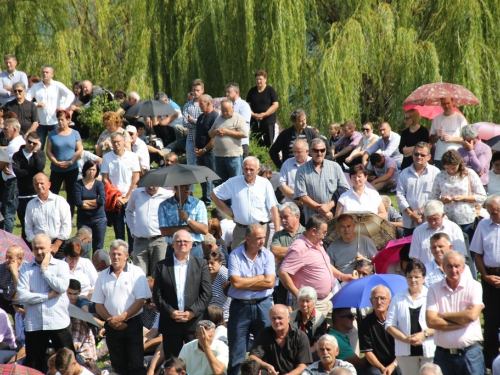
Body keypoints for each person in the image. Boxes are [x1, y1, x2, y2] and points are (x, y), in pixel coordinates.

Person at [92, 239, 151, 375]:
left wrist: (122, 317)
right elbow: (98, 304)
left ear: (126, 256)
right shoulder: (103, 276)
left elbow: (141, 300)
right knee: (118, 364)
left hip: (132, 324)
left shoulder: (136, 272)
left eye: (119, 254)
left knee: (136, 363)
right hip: (111, 326)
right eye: (113, 254)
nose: (115, 257)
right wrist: (111, 320)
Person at [17, 233, 73, 371]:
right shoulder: (25, 269)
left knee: (67, 364)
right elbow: (22, 296)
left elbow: (61, 287)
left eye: (42, 248)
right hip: (35, 324)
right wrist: (47, 296)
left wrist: (45, 270)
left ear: (51, 247)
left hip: (58, 322)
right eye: (36, 248)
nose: (39, 252)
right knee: (34, 366)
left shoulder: (61, 266)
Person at [153, 229, 212, 358]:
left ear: (191, 244)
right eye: (178, 241)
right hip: (170, 323)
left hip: (195, 323)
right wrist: (171, 312)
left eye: (186, 241)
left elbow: (206, 293)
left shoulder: (201, 264)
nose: (182, 244)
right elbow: (157, 295)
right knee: (173, 362)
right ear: (172, 244)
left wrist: (192, 312)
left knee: (197, 360)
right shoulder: (161, 266)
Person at [226, 224, 276, 375]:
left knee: (267, 349)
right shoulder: (235, 255)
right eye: (259, 238)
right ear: (248, 239)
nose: (262, 241)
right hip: (240, 308)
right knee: (236, 353)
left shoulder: (268, 255)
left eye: (263, 237)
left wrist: (244, 282)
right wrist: (260, 279)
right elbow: (235, 283)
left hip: (263, 305)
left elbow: (269, 283)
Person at [426, 251, 485, 375]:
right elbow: (431, 321)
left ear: (463, 267)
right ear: (443, 267)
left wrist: (443, 315)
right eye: (449, 266)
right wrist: (460, 323)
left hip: (470, 354)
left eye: (457, 266)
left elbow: (471, 315)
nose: (453, 270)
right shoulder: (434, 289)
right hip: (443, 355)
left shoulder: (474, 286)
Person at [278, 215, 344, 317]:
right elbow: (283, 273)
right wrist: (299, 296)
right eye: (324, 232)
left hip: (327, 299)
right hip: (312, 304)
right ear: (314, 231)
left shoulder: (317, 243)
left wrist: (342, 276)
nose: (325, 235)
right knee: (313, 332)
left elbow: (324, 265)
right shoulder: (299, 248)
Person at [211, 156, 280, 249]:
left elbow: (273, 207)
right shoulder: (233, 182)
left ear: (258, 170)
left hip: (260, 229)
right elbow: (213, 194)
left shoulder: (265, 183)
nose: (248, 172)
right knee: (237, 258)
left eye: (251, 169)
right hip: (241, 230)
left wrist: (277, 230)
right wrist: (229, 212)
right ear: (242, 168)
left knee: (261, 259)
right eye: (246, 169)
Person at [385, 261, 435, 375]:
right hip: (404, 352)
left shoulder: (432, 295)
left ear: (424, 278)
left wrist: (424, 334)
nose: (413, 280)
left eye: (417, 277)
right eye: (409, 277)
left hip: (430, 350)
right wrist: (406, 339)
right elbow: (389, 324)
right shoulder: (398, 298)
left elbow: (440, 323)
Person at [470, 194, 500, 369]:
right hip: (489, 277)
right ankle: (489, 363)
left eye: (496, 212)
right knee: (490, 322)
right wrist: (485, 276)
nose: (493, 216)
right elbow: (477, 253)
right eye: (490, 213)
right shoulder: (483, 225)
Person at [429, 149, 486, 239]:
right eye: (447, 168)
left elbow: (482, 196)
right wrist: (441, 200)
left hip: (466, 219)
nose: (450, 171)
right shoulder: (440, 175)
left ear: (459, 164)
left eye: (453, 168)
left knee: (466, 246)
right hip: (446, 218)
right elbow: (431, 198)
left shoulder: (469, 173)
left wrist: (463, 198)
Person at [101, 132, 141, 250]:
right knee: (119, 231)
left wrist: (127, 197)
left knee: (132, 230)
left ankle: (133, 255)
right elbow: (105, 179)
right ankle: (121, 254)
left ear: (124, 142)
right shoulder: (107, 158)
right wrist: (116, 196)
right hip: (116, 198)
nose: (117, 144)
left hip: (131, 197)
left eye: (119, 141)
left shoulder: (132, 156)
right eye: (114, 142)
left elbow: (136, 178)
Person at [295, 138, 349, 222]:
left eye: (322, 150)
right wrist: (322, 210)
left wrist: (329, 206)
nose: (319, 153)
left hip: (333, 217)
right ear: (310, 151)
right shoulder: (302, 170)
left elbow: (345, 189)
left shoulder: (335, 167)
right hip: (312, 220)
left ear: (326, 151)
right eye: (316, 151)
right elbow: (302, 196)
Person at [249, 304, 312, 374]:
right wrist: (266, 366)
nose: (276, 321)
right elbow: (253, 357)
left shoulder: (300, 336)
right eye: (273, 318)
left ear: (288, 318)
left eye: (280, 318)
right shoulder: (264, 334)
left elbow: (302, 366)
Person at [25, 65, 75, 150]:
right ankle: (38, 162)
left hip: (55, 121)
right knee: (38, 146)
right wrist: (36, 104)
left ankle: (58, 162)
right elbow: (26, 98)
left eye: (47, 72)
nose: (45, 74)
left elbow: (70, 95)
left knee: (58, 146)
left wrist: (62, 107)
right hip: (41, 122)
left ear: (52, 74)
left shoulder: (57, 85)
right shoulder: (36, 87)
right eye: (43, 72)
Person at [126, 185, 171, 277]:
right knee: (138, 275)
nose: (151, 187)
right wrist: (133, 229)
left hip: (159, 240)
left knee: (159, 274)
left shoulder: (167, 195)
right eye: (148, 184)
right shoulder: (136, 193)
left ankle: (156, 292)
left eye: (154, 185)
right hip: (140, 241)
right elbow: (129, 211)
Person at [396, 142, 440, 236]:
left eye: (422, 155)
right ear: (412, 155)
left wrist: (420, 212)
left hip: (429, 221)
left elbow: (437, 196)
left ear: (428, 157)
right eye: (416, 154)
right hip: (409, 221)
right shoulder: (404, 173)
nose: (419, 157)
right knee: (409, 249)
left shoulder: (436, 173)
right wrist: (411, 214)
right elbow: (400, 195)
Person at [25, 173, 72, 259]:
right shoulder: (30, 204)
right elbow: (28, 228)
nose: (39, 186)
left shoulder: (59, 201)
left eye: (42, 183)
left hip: (59, 246)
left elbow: (66, 225)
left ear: (49, 184)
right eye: (36, 184)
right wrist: (37, 244)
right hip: (39, 247)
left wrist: (56, 245)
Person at [47, 109, 83, 217]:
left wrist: (71, 162)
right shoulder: (52, 134)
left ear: (68, 120)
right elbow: (48, 151)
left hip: (72, 168)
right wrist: (56, 162)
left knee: (71, 193)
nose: (60, 122)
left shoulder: (75, 133)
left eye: (62, 120)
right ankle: (51, 215)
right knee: (53, 192)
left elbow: (79, 150)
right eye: (58, 120)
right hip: (56, 169)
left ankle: (69, 216)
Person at [359, 285, 402, 375]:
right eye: (375, 298)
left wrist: (393, 365)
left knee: (400, 371)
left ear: (390, 301)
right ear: (371, 301)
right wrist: (382, 368)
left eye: (383, 298)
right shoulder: (365, 323)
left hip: (396, 362)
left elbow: (403, 347)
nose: (379, 302)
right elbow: (367, 352)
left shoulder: (398, 320)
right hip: (375, 365)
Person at [409, 200, 467, 264]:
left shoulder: (454, 228)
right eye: (429, 219)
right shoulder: (418, 231)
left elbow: (461, 255)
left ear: (443, 215)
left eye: (435, 219)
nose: (432, 222)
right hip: (426, 272)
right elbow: (415, 258)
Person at [158, 184, 208, 259]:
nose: (188, 188)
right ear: (175, 187)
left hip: (194, 248)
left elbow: (204, 229)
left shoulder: (198, 204)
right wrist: (190, 228)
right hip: (173, 248)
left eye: (189, 185)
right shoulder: (164, 205)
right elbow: (164, 231)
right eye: (184, 186)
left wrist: (187, 219)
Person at [12, 131, 45, 242]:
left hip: (37, 195)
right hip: (22, 196)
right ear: (25, 139)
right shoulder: (17, 155)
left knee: (38, 225)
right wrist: (32, 170)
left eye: (34, 144)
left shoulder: (40, 154)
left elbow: (40, 168)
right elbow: (19, 173)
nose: (31, 145)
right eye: (29, 142)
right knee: (26, 226)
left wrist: (35, 153)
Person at [271, 202, 305, 304]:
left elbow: (309, 255)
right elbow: (275, 252)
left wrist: (284, 254)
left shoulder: (306, 233)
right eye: (281, 217)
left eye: (286, 217)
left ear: (297, 217)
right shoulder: (278, 235)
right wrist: (299, 250)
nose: (282, 221)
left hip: (303, 281)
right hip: (283, 283)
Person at [208, 98, 248, 183]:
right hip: (219, 155)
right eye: (223, 110)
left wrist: (227, 132)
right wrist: (215, 131)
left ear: (232, 108)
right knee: (221, 183)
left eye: (227, 110)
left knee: (236, 182)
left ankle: (235, 196)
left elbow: (244, 134)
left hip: (233, 156)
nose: (225, 113)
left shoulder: (238, 118)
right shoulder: (219, 118)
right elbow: (210, 134)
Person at [73, 160, 106, 252]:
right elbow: (78, 203)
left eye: (93, 169)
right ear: (85, 170)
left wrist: (85, 202)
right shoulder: (78, 184)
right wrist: (95, 203)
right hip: (84, 220)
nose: (91, 172)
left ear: (97, 171)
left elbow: (102, 201)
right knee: (85, 247)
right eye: (89, 169)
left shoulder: (99, 184)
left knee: (98, 247)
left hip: (99, 219)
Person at [290, 286, 329, 360]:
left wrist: (302, 355)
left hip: (312, 353)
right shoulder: (291, 317)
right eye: (301, 301)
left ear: (314, 303)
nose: (304, 304)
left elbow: (317, 344)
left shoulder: (320, 319)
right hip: (293, 352)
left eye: (307, 301)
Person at [1, 118, 25, 233]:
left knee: (7, 212)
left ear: (14, 129)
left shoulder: (14, 146)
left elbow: (7, 167)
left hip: (12, 182)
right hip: (14, 182)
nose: (3, 131)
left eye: (5, 129)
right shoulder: (17, 143)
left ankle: (6, 239)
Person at [429, 98, 468, 170]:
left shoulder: (460, 118)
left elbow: (466, 139)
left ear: (452, 103)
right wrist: (437, 136)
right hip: (439, 157)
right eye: (444, 104)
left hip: (455, 157)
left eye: (448, 103)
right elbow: (431, 141)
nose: (446, 106)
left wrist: (452, 139)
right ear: (441, 104)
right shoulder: (436, 119)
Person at [246, 70, 279, 147]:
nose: (258, 81)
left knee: (269, 142)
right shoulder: (252, 91)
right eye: (257, 79)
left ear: (265, 79)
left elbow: (275, 104)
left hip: (268, 119)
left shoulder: (270, 90)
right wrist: (253, 115)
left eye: (260, 79)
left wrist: (265, 114)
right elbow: (247, 105)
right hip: (254, 119)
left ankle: (268, 157)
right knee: (255, 140)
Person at [195, 94, 217, 203]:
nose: (199, 106)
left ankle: (209, 199)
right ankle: (204, 196)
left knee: (209, 175)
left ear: (208, 103)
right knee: (201, 175)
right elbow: (197, 133)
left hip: (209, 151)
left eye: (201, 104)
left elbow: (214, 138)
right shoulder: (201, 117)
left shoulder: (214, 117)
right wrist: (196, 147)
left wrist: (204, 150)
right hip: (199, 151)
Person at [278, 138, 311, 207]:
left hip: (311, 205)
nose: (296, 154)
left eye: (299, 152)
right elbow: (282, 185)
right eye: (294, 152)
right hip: (292, 205)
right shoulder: (287, 163)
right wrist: (296, 197)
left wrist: (305, 200)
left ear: (307, 151)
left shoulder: (313, 163)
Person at [225, 82, 252, 158]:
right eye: (226, 92)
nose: (226, 94)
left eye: (229, 92)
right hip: (229, 144)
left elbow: (243, 125)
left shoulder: (243, 105)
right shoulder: (227, 105)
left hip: (241, 143)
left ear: (236, 92)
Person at [183, 79, 204, 167]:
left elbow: (204, 123)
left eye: (198, 90)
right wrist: (197, 122)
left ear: (202, 91)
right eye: (194, 90)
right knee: (190, 164)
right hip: (191, 138)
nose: (195, 92)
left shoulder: (205, 104)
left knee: (203, 165)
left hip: (202, 139)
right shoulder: (187, 105)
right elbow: (185, 123)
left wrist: (192, 120)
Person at [204, 250, 231, 321]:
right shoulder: (207, 274)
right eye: (207, 263)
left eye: (212, 263)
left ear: (220, 263)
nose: (209, 266)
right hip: (210, 315)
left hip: (223, 317)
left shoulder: (223, 273)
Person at [0, 245, 26, 312]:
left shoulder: (27, 269)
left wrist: (15, 273)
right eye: (6, 257)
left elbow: (23, 290)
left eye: (10, 258)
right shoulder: (2, 266)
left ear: (19, 259)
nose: (7, 260)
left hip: (19, 299)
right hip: (4, 296)